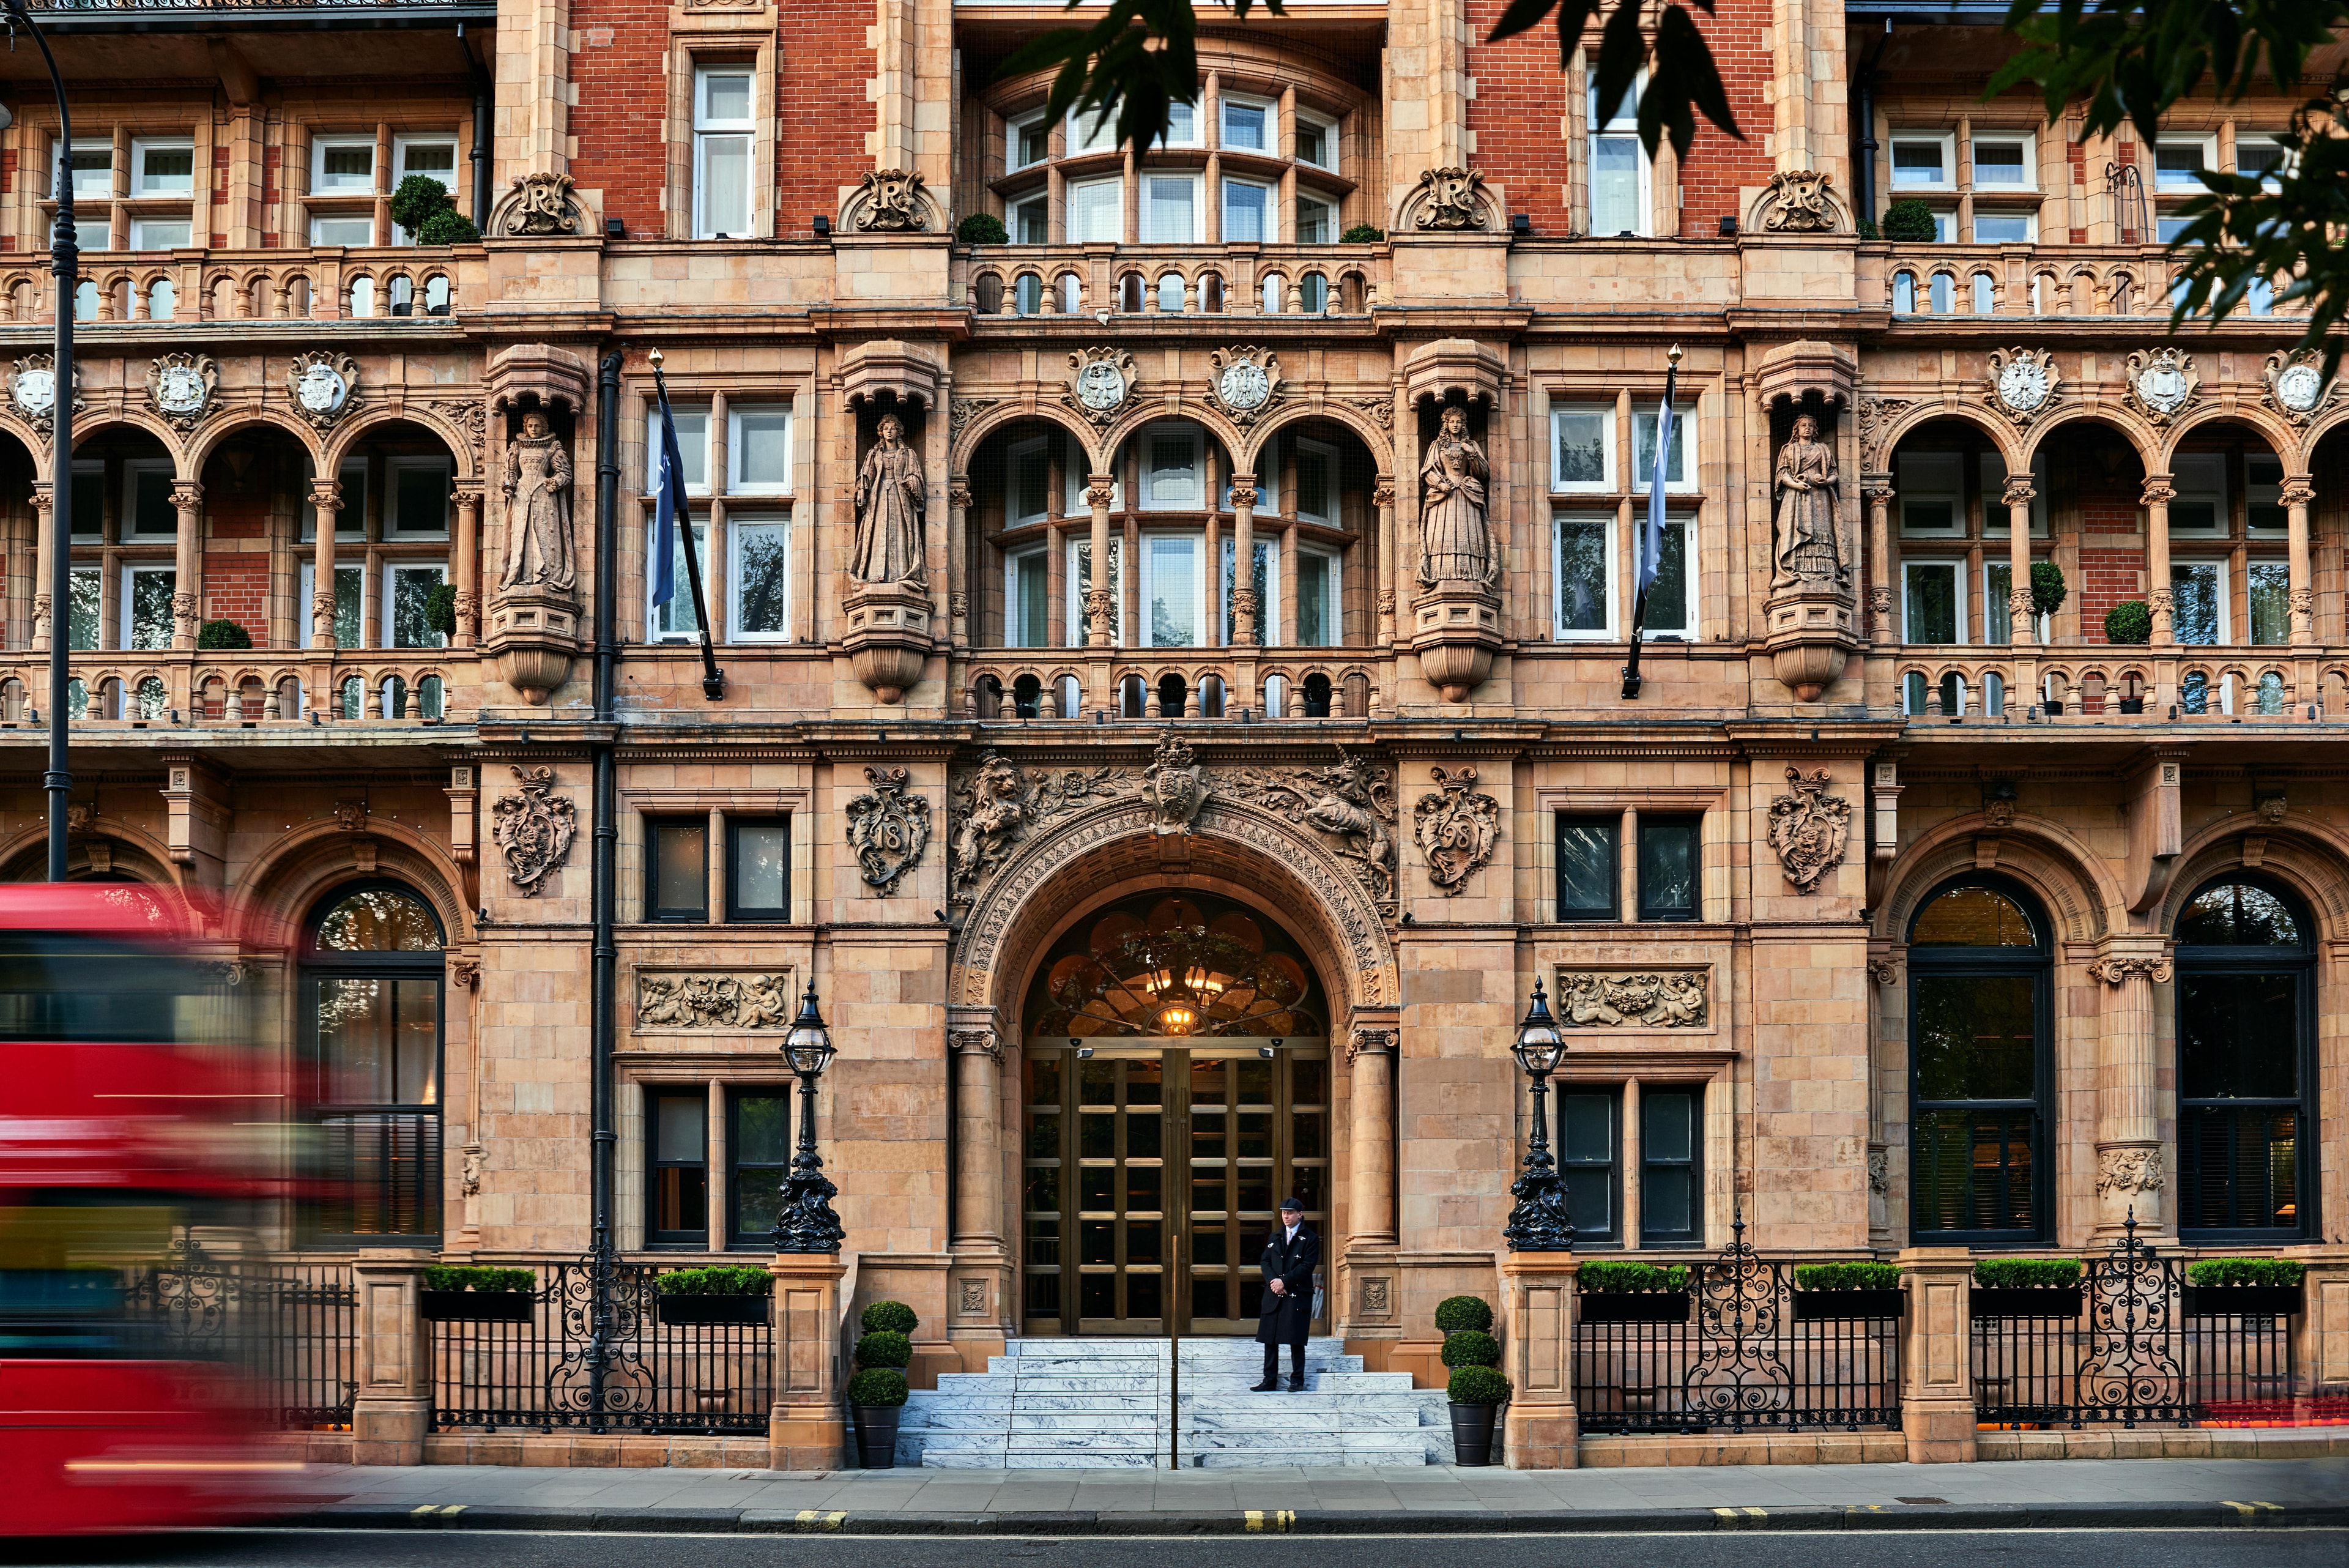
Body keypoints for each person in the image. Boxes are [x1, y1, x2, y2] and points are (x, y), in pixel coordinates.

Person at [1252, 1195, 1318, 1392]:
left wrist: (1285, 1281)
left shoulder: (1311, 1238)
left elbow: (1308, 1266)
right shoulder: (1275, 1237)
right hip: (1274, 1293)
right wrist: (1274, 1281)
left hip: (1296, 1293)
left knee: (1295, 1339)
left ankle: (1297, 1380)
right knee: (1270, 1339)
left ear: (1300, 1214)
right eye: (1283, 1213)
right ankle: (1269, 1380)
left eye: (1290, 1213)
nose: (1286, 1216)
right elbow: (1265, 1261)